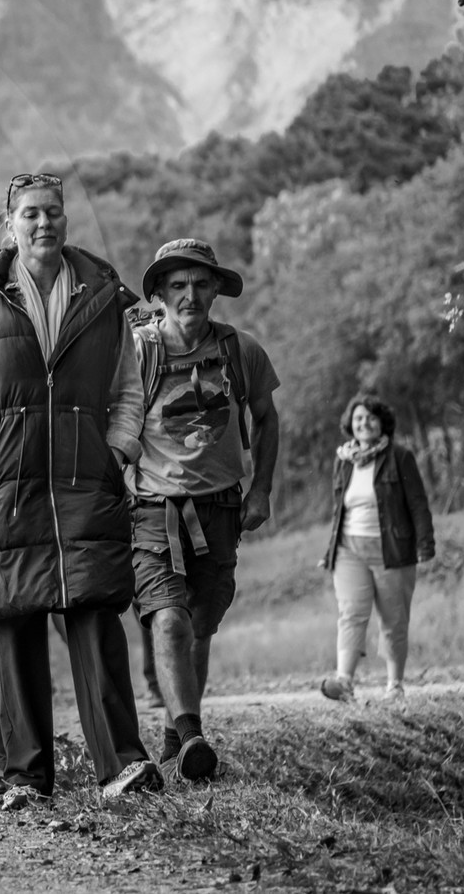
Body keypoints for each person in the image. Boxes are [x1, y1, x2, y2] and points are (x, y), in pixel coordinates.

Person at [0, 172, 159, 810]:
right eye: (31, 214)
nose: (44, 224)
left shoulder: (102, 294)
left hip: (83, 478)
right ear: (7, 223)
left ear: (66, 221)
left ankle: (122, 765)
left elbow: (127, 388)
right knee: (15, 624)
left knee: (95, 616)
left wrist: (116, 448)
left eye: (54, 213)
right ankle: (27, 777)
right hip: (6, 482)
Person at [128, 239, 280, 780]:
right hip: (153, 510)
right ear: (160, 295)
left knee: (200, 627)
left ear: (216, 289)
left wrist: (261, 489)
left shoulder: (241, 351)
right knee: (168, 619)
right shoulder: (139, 351)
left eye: (199, 283)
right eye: (177, 285)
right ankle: (193, 736)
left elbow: (265, 415)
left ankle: (177, 735)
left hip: (221, 508)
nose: (189, 294)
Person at [319, 392, 434, 702]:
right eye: (358, 418)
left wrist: (425, 545)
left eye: (370, 417)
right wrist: (330, 547)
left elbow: (418, 504)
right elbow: (337, 508)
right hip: (348, 550)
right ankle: (344, 681)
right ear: (350, 425)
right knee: (351, 613)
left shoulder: (400, 457)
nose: (364, 423)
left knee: (394, 619)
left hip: (392, 549)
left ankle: (394, 686)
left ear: (382, 422)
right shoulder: (343, 461)